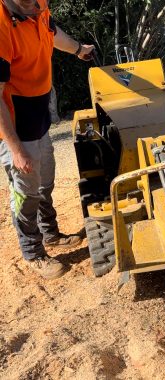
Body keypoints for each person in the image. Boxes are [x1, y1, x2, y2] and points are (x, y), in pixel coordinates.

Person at [0, 0, 95, 279]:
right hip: (15, 125)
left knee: (45, 181)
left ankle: (50, 234)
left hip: (38, 115)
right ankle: (33, 252)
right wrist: (15, 149)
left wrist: (78, 49)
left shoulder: (38, 6)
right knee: (26, 190)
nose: (37, 6)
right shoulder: (2, 25)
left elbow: (52, 32)